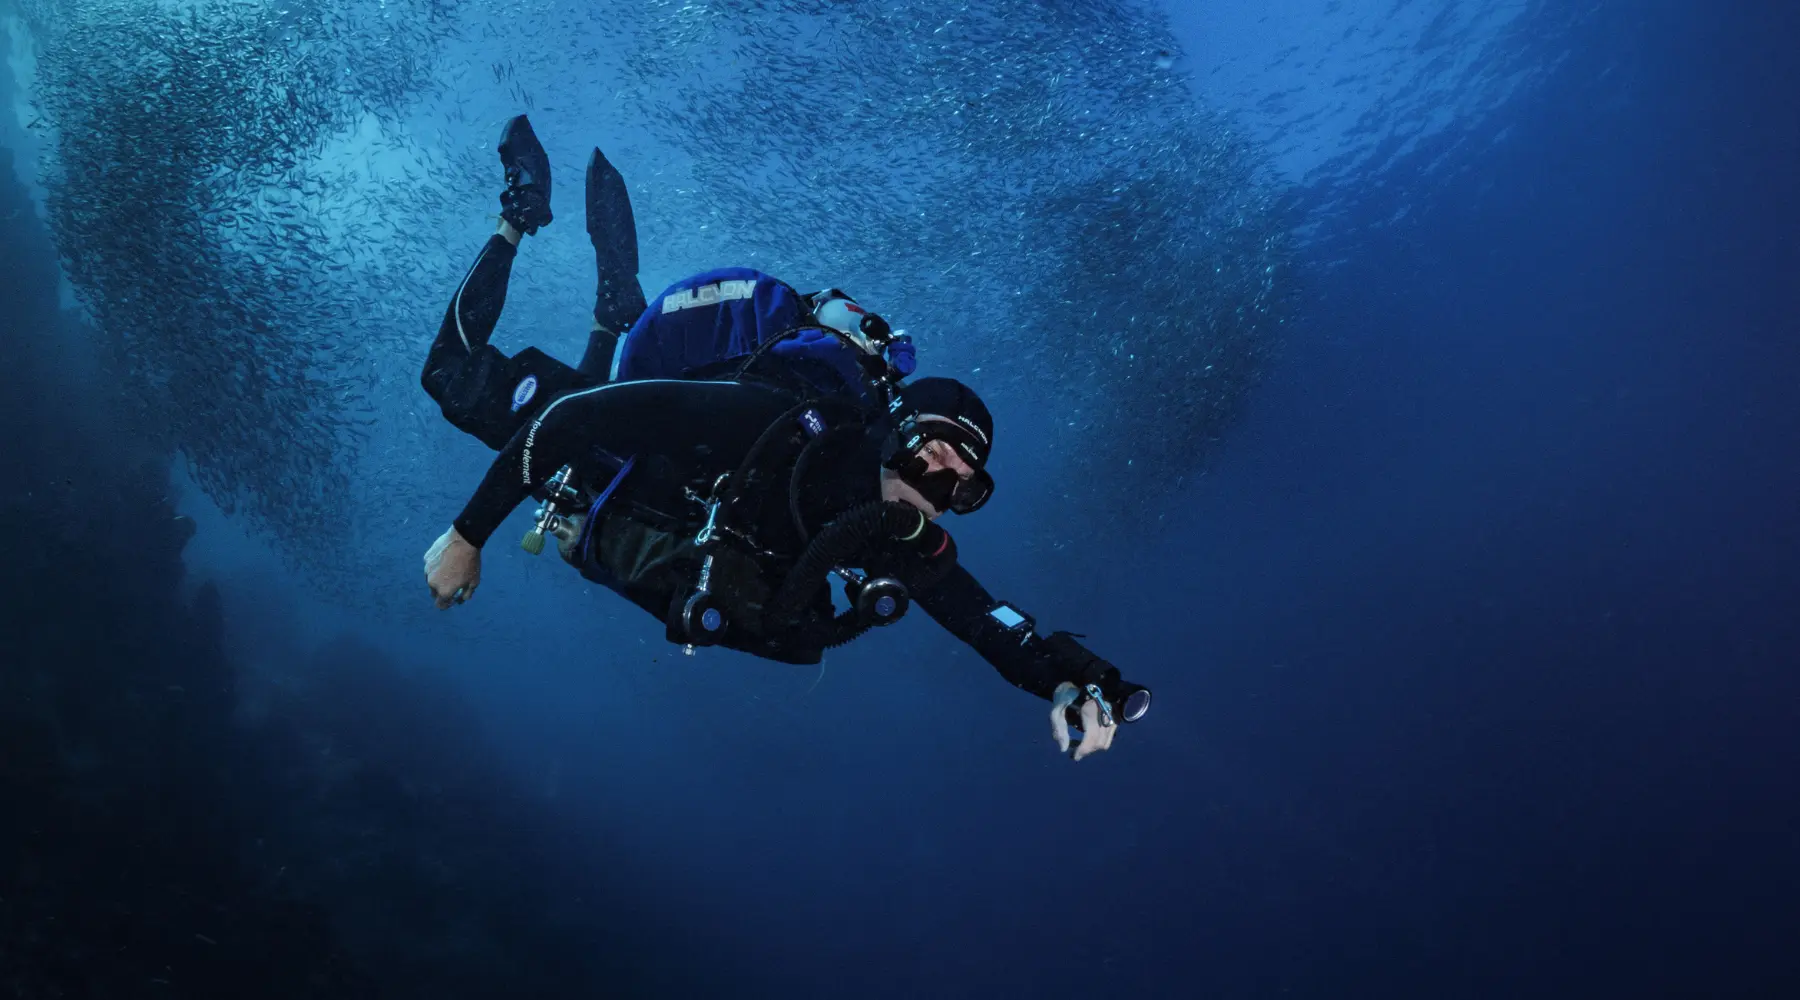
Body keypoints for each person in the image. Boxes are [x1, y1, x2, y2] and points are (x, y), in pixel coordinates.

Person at [419, 116, 1151, 760]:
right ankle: (520, 210)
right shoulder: (772, 424)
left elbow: (986, 620)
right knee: (450, 375)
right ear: (891, 430)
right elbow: (572, 423)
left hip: (628, 472)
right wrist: (467, 535)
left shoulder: (890, 538)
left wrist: (1073, 678)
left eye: (961, 485)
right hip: (608, 451)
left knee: (607, 376)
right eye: (929, 456)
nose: (934, 489)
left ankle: (617, 306)